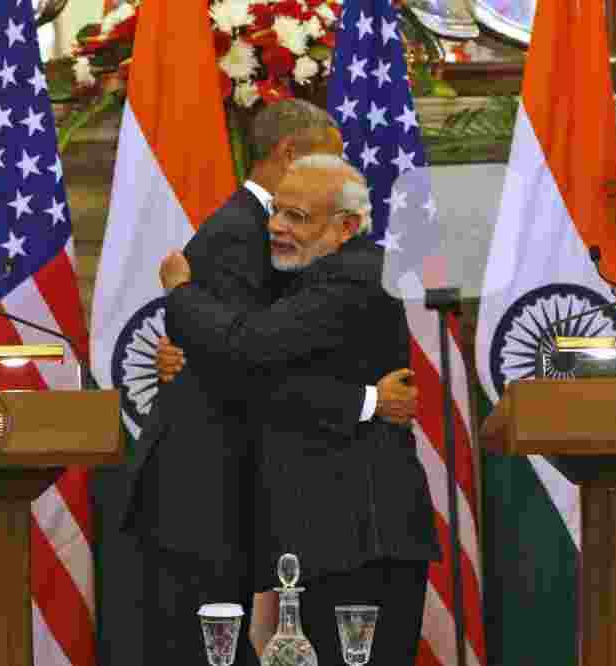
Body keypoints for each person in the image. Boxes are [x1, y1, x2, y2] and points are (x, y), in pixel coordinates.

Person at [122, 100, 418, 666]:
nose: (281, 226)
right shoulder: (240, 233)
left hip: (298, 504)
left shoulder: (339, 264)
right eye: (282, 214)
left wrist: (185, 312)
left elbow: (253, 348)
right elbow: (245, 357)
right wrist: (369, 400)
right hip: (208, 491)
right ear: (290, 154)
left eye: (296, 218)